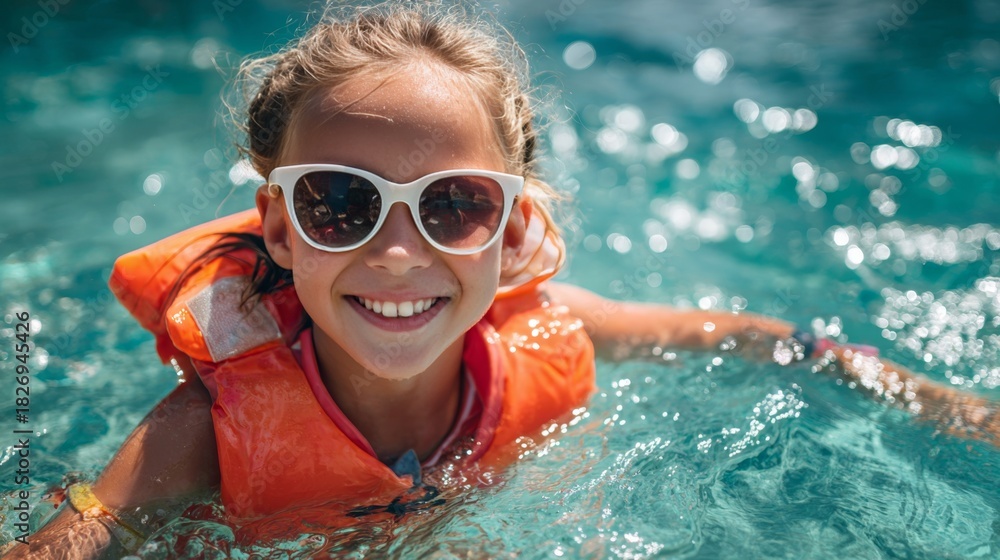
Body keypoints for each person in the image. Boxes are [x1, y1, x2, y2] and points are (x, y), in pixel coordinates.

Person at [6, 2, 998, 558]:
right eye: (341, 203)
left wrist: (948, 405)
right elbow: (79, 529)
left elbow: (756, 339)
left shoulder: (556, 331)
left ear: (514, 229)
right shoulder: (200, 433)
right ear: (278, 226)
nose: (399, 254)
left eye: (454, 205)